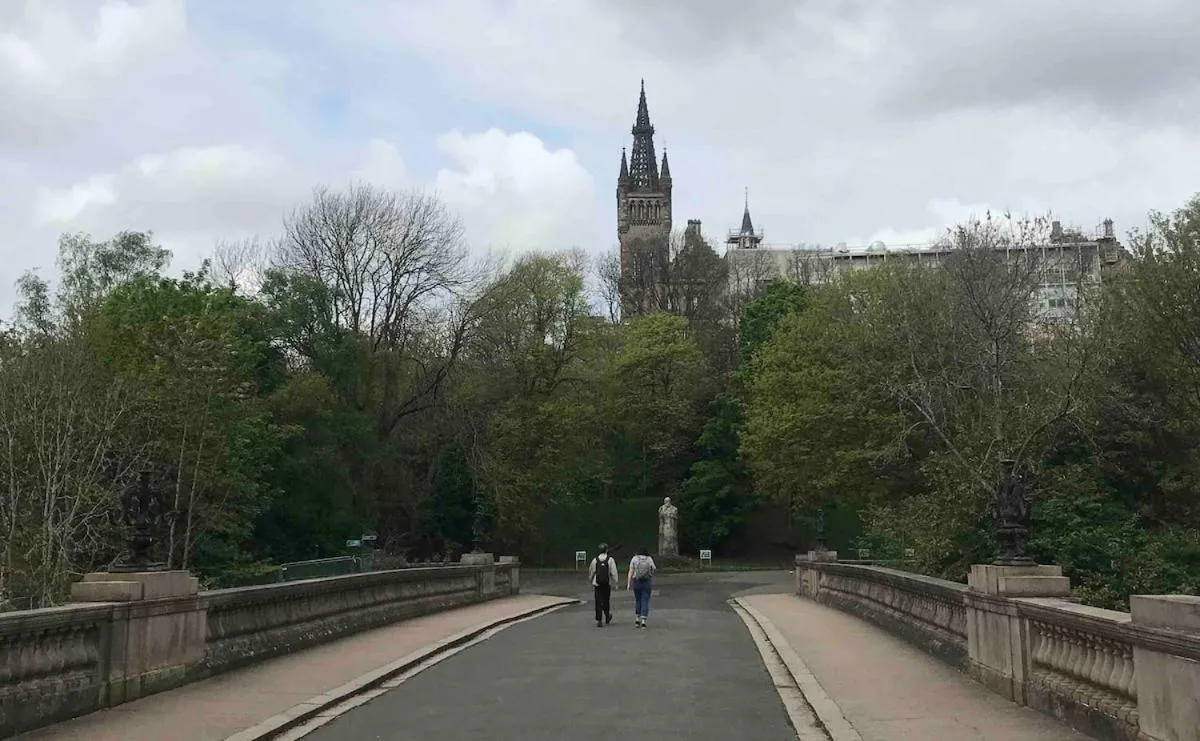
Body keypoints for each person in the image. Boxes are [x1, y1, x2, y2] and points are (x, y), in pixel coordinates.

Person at [588, 543, 619, 627]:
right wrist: (616, 582)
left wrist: (590, 579)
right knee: (606, 600)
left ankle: (599, 620)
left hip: (597, 583)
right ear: (607, 550)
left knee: (598, 601)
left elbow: (592, 571)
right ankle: (607, 616)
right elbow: (614, 572)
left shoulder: (595, 560)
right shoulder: (610, 560)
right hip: (606, 583)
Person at [627, 547, 657, 628]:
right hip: (647, 581)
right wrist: (649, 573)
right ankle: (643, 620)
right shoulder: (649, 559)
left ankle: (637, 619)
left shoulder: (634, 558)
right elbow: (654, 568)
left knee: (638, 600)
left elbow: (631, 570)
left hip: (636, 581)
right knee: (645, 600)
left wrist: (629, 583)